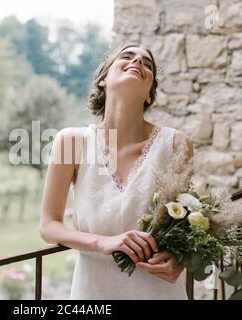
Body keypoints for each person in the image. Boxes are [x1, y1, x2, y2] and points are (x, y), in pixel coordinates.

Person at [39, 43, 194, 299]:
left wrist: (180, 259)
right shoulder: (71, 141)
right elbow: (49, 226)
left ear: (149, 94)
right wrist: (103, 242)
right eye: (127, 56)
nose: (138, 61)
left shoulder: (177, 144)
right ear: (103, 80)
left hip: (159, 290)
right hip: (94, 291)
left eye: (147, 63)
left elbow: (184, 224)